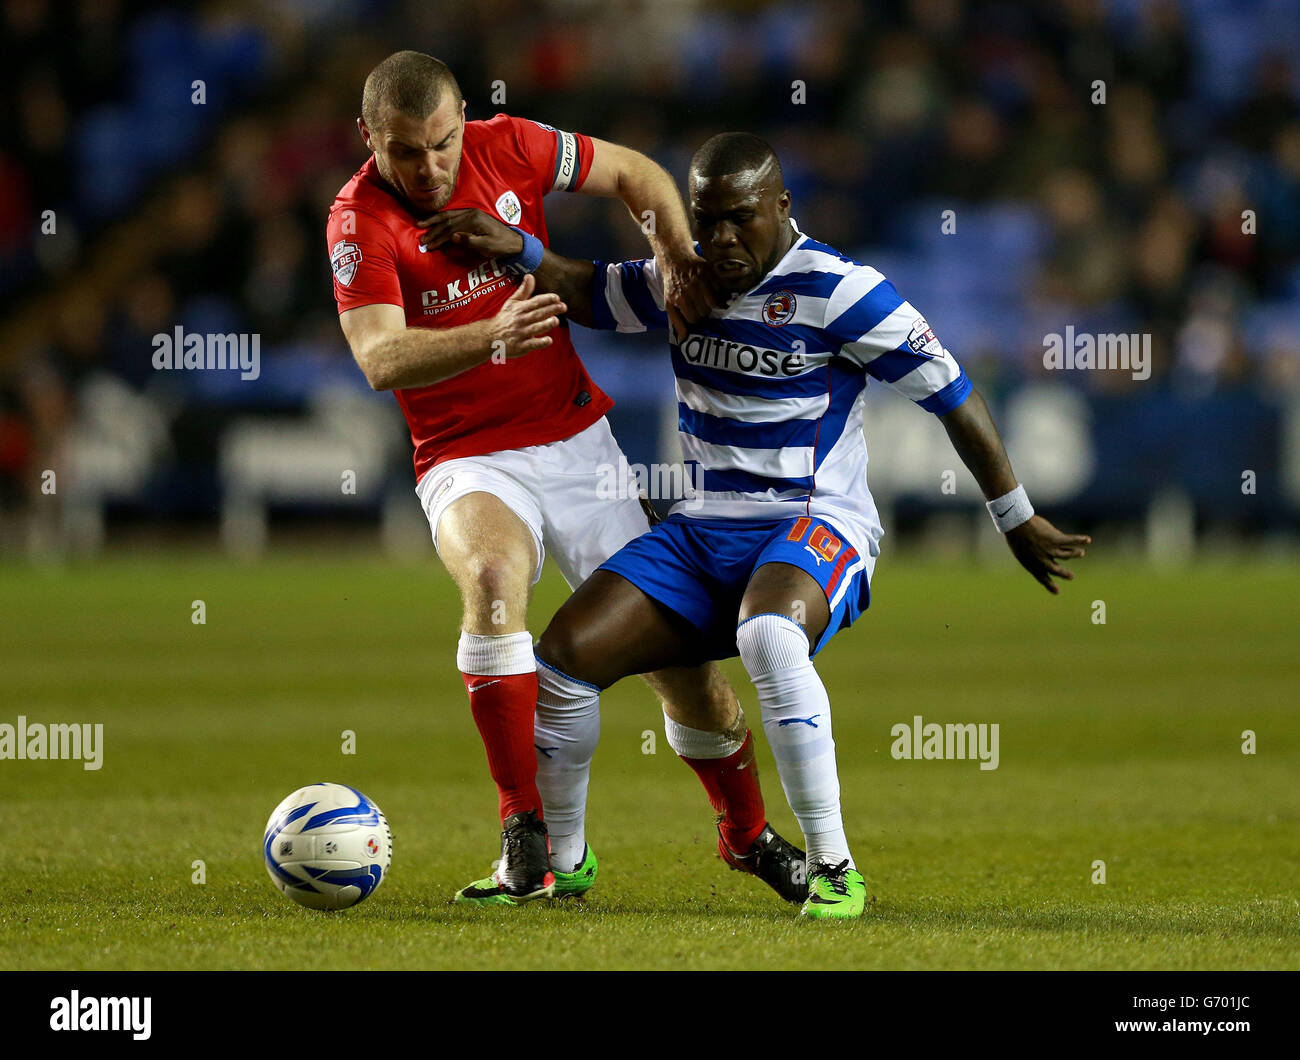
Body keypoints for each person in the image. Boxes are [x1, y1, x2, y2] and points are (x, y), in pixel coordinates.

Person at [431, 131, 1091, 918]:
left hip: (815, 523)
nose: (719, 240)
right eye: (705, 221)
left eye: (739, 219)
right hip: (705, 527)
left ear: (782, 206)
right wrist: (524, 250)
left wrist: (1012, 515)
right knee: (564, 663)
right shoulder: (685, 278)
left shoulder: (844, 291)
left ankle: (836, 868)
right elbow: (586, 290)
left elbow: (953, 396)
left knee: (769, 637)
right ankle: (564, 863)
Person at [327, 54, 805, 907]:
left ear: (464, 120)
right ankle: (527, 836)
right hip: (465, 454)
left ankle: (746, 834)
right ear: (369, 139)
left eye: (441, 145)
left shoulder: (512, 144)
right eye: (405, 152)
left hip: (580, 444)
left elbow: (635, 171)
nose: (429, 168)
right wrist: (491, 336)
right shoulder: (357, 221)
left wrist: (677, 257)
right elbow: (377, 356)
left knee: (686, 671)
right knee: (489, 577)